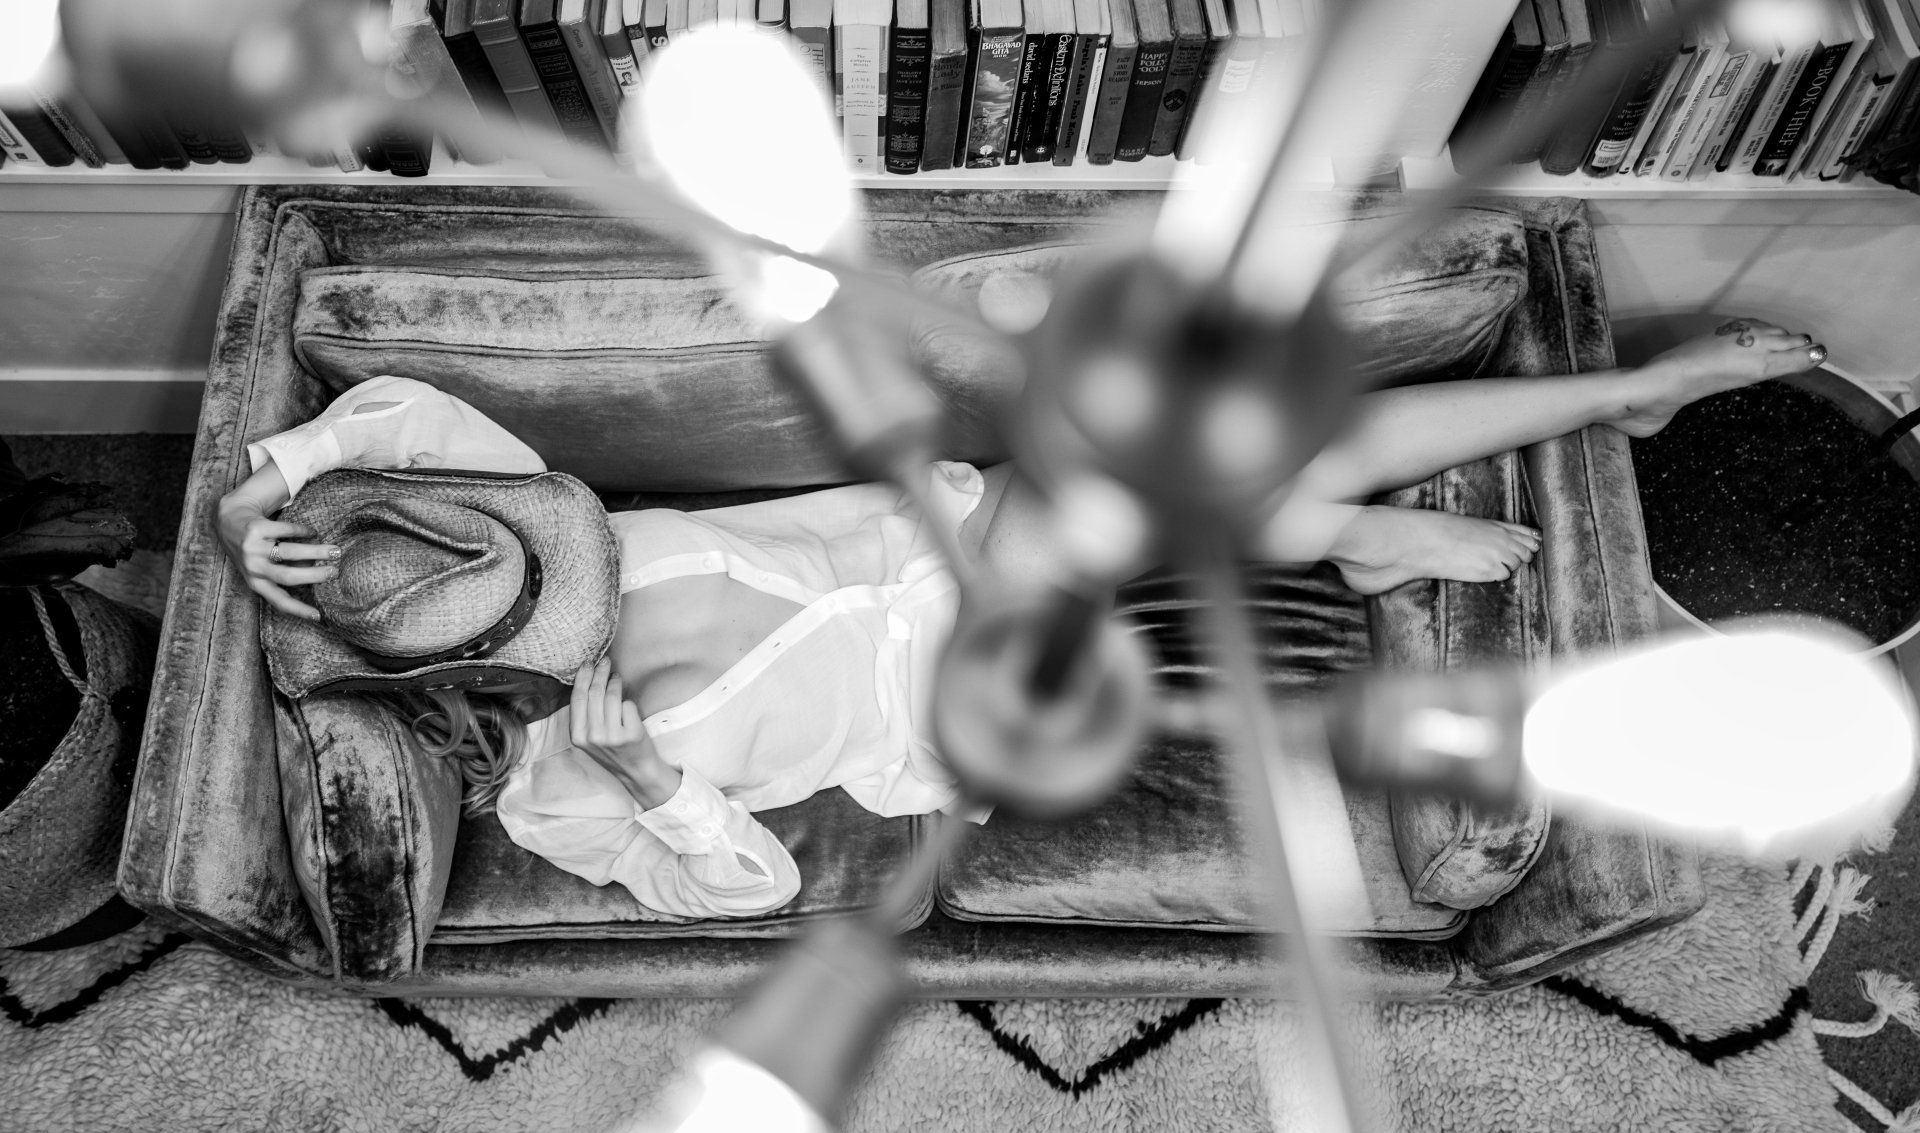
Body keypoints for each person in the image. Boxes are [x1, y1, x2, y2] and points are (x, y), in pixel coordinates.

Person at [215, 318, 1826, 921]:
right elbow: (751, 884)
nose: (589, 581)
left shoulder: (505, 525)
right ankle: (1333, 545)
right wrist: (659, 787)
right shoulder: (555, 781)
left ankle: (1624, 395)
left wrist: (258, 488)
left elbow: (391, 400)